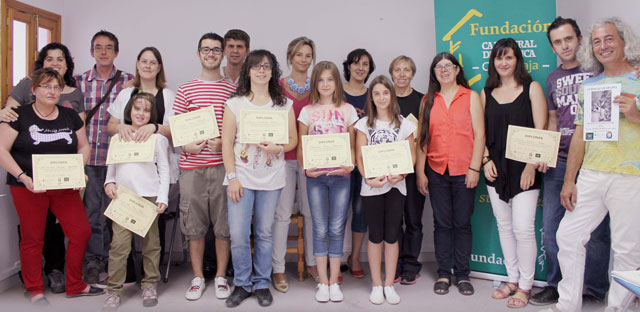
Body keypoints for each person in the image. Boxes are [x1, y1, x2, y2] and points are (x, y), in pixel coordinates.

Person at [542, 17, 640, 312]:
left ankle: (617, 308)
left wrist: (636, 114)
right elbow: (580, 137)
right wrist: (570, 179)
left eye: (609, 39)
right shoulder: (590, 85)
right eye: (597, 41)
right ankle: (567, 304)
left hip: (629, 175)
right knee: (567, 236)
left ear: (624, 41)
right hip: (592, 173)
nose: (603, 46)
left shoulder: (638, 78)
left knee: (626, 249)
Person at [0, 68, 103, 305]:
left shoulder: (70, 116)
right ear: (34, 89)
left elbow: (84, 146)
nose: (52, 91)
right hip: (27, 185)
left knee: (80, 232)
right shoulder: (18, 115)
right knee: (33, 237)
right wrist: (23, 177)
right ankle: (35, 289)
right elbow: (2, 150)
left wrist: (79, 169)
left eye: (56, 87)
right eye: (46, 86)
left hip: (63, 186)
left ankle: (75, 284)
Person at [529, 16, 611, 307]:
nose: (564, 46)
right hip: (559, 163)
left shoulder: (599, 71)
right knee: (552, 230)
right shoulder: (552, 78)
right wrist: (545, 155)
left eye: (568, 39)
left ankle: (594, 287)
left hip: (594, 162)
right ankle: (557, 284)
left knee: (598, 233)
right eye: (557, 42)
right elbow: (551, 120)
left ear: (579, 39)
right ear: (552, 46)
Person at [221, 49, 297, 308]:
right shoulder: (235, 103)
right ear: (248, 71)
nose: (262, 71)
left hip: (271, 178)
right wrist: (232, 178)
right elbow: (227, 144)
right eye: (256, 66)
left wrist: (279, 148)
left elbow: (293, 140)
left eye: (266, 66)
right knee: (239, 234)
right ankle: (242, 283)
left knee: (264, 232)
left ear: (273, 71)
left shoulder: (283, 104)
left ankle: (262, 282)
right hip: (241, 178)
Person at [481, 38, 547, 308]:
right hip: (495, 169)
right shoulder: (486, 92)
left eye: (509, 57)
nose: (504, 62)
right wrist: (485, 159)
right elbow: (480, 132)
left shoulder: (532, 88)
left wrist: (532, 165)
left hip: (525, 170)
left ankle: (526, 286)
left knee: (523, 229)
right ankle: (511, 278)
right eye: (499, 58)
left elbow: (541, 131)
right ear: (493, 62)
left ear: (517, 60)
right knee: (504, 226)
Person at [173, 33, 235, 301]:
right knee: (194, 226)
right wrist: (187, 146)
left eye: (216, 50)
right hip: (192, 169)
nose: (211, 54)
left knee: (224, 226)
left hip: (223, 168)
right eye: (206, 49)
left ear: (222, 55)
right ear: (198, 53)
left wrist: (222, 142)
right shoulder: (185, 89)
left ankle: (221, 276)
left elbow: (238, 131)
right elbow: (177, 130)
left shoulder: (232, 89)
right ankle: (198, 277)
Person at [416, 52, 484, 296]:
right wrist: (420, 172)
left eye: (448, 66)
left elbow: (480, 134)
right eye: (438, 67)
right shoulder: (427, 101)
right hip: (435, 170)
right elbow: (422, 138)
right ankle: (444, 272)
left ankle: (463, 274)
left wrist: (475, 167)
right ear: (434, 73)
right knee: (442, 224)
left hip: (464, 170)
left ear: (457, 70)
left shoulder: (471, 97)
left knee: (462, 224)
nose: (443, 70)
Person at [74, 30, 134, 284]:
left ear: (116, 52)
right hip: (88, 158)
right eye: (98, 47)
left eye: (109, 48)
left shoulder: (129, 81)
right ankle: (92, 261)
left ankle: (115, 262)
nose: (103, 52)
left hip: (118, 160)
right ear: (91, 52)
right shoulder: (79, 81)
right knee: (89, 214)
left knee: (116, 215)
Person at [102, 93, 170, 310]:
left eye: (146, 110)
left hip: (149, 198)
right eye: (137, 109)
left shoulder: (157, 139)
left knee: (151, 245)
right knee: (119, 245)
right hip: (123, 198)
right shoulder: (117, 138)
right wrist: (109, 184)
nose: (141, 113)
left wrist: (163, 197)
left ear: (152, 115)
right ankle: (114, 289)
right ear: (129, 111)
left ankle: (149, 284)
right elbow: (111, 169)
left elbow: (165, 170)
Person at [298, 61, 357, 303]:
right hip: (316, 179)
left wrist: (350, 164)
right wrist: (305, 168)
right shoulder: (307, 111)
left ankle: (335, 280)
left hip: (341, 177)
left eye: (330, 80)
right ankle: (322, 281)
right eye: (321, 80)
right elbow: (302, 147)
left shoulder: (347, 110)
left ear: (337, 83)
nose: (325, 84)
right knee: (320, 228)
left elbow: (353, 147)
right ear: (315, 83)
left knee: (337, 228)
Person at [355, 75, 416, 305]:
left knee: (392, 235)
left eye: (385, 93)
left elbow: (411, 155)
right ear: (371, 97)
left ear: (392, 95)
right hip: (372, 187)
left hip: (395, 186)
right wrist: (369, 179)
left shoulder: (403, 124)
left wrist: (401, 174)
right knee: (375, 235)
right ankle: (376, 284)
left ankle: (389, 283)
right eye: (376, 93)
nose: (381, 97)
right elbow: (359, 156)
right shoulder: (364, 124)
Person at [202, 29, 250, 280]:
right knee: (215, 215)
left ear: (247, 51)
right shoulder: (215, 83)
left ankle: (236, 264)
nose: (234, 50)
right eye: (229, 46)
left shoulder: (253, 80)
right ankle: (213, 264)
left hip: (245, 159)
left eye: (239, 46)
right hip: (213, 156)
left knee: (234, 216)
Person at [272, 36, 317, 292]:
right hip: (284, 157)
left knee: (312, 213)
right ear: (290, 56)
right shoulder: (277, 86)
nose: (303, 59)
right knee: (282, 213)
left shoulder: (319, 85)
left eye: (308, 55)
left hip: (312, 158)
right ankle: (278, 269)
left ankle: (312, 263)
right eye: (299, 54)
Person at [389, 55, 426, 285]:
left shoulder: (422, 101)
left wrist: (420, 171)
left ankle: (411, 264)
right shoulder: (383, 98)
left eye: (406, 70)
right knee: (393, 220)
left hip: (413, 170)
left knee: (413, 220)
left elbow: (424, 140)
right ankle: (396, 264)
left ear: (413, 73)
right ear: (391, 73)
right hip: (389, 170)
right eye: (397, 70)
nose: (402, 74)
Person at [342, 48, 375, 278]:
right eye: (356, 63)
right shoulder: (336, 92)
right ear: (348, 66)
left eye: (365, 64)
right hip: (340, 162)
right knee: (338, 212)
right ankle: (334, 258)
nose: (360, 68)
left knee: (361, 211)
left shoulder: (373, 94)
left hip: (366, 161)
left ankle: (354, 257)